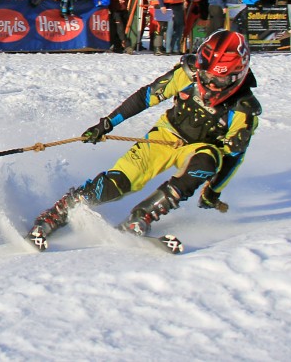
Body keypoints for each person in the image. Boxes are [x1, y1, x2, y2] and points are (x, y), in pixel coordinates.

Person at [27, 30, 260, 250]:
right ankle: (58, 212)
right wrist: (107, 123)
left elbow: (234, 156)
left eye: (217, 80)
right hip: (164, 137)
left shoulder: (244, 109)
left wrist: (213, 191)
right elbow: (145, 97)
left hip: (200, 149)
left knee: (208, 160)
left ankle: (143, 215)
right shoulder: (187, 74)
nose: (208, 84)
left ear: (237, 76)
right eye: (205, 74)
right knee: (118, 183)